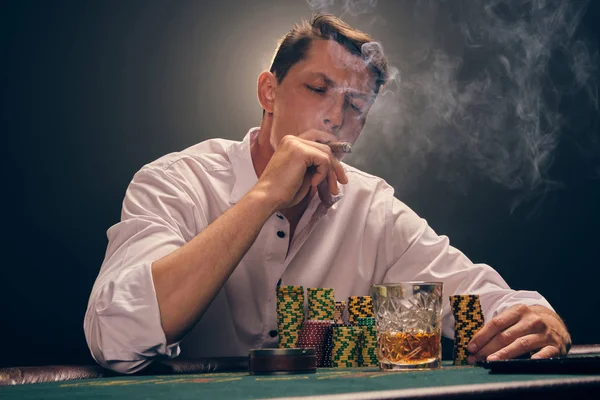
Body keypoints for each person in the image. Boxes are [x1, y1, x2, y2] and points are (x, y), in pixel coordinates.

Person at [84, 14, 571, 374]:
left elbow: (482, 299)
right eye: (317, 89)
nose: (335, 118)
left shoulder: (372, 209)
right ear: (268, 92)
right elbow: (117, 338)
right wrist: (262, 198)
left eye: (356, 105)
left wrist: (535, 314)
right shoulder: (175, 181)